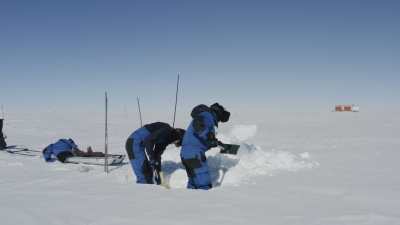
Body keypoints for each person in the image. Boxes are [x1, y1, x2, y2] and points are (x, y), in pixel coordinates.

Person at [180, 103, 230, 190]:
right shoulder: (207, 115)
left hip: (187, 154)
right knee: (204, 184)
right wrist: (209, 137)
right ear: (217, 113)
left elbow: (202, 136)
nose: (219, 121)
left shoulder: (206, 116)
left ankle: (188, 201)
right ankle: (206, 202)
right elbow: (198, 126)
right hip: (194, 154)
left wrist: (215, 142)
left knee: (193, 182)